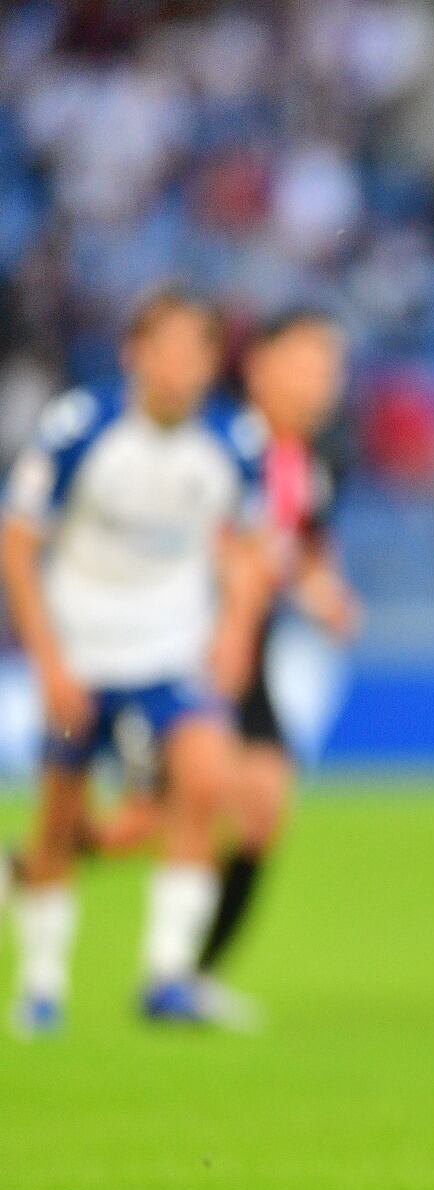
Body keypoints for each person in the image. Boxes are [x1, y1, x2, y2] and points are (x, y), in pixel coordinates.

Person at [2, 287, 268, 1033]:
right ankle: (43, 985)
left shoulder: (232, 439)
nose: (180, 365)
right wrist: (49, 662)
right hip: (81, 652)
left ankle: (166, 975)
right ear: (134, 354)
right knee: (60, 816)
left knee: (204, 780)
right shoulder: (79, 428)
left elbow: (250, 546)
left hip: (172, 652)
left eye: (196, 349)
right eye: (167, 346)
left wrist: (235, 631)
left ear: (213, 362)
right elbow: (18, 544)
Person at [198, 308, 356, 1019]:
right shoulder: (222, 445)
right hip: (188, 641)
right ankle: (36, 861)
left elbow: (303, 546)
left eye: (330, 367)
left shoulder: (308, 462)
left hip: (249, 647)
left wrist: (325, 593)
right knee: (168, 808)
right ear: (259, 364)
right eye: (307, 363)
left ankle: (192, 974)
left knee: (262, 803)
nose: (322, 381)